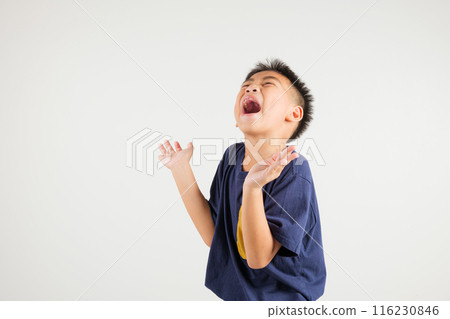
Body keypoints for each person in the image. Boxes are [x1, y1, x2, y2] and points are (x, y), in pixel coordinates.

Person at [158, 58, 326, 300]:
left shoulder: (294, 169)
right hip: (239, 297)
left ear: (293, 114)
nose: (251, 87)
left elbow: (258, 258)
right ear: (237, 119)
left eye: (268, 84)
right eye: (247, 84)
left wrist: (253, 189)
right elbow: (213, 235)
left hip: (284, 301)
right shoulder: (232, 157)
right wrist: (180, 169)